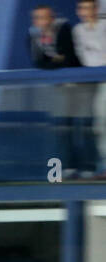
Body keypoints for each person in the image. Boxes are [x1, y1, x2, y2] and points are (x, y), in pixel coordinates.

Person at [32, 4, 93, 177]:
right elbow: (38, 63)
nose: (43, 22)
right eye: (39, 18)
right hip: (59, 89)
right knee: (61, 128)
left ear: (52, 18)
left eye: (46, 17)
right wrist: (56, 61)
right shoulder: (33, 36)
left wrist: (54, 61)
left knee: (84, 126)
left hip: (81, 86)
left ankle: (88, 168)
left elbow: (68, 56)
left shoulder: (64, 28)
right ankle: (62, 171)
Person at [73, 0, 106, 178]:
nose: (87, 11)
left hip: (104, 79)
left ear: (97, 8)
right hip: (89, 81)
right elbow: (82, 56)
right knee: (97, 125)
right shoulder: (78, 31)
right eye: (83, 8)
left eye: (90, 7)